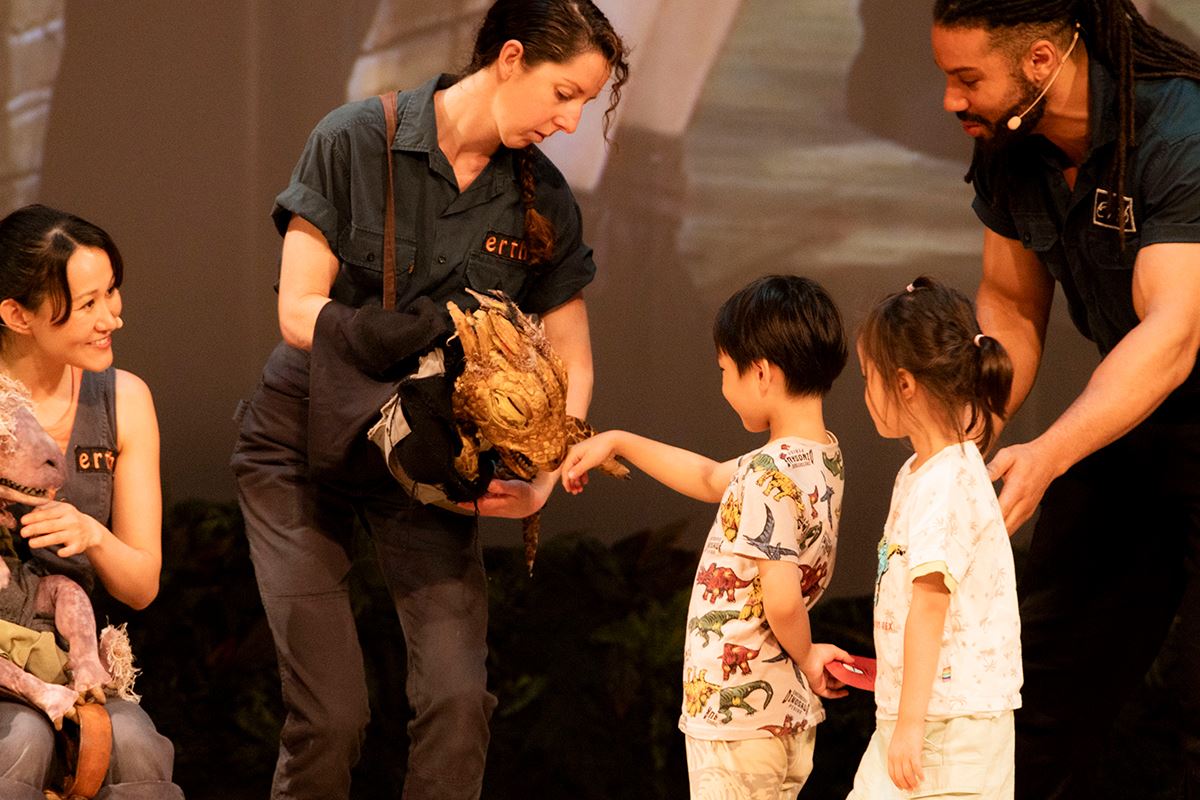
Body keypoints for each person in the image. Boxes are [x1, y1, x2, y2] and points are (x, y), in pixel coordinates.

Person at [229, 2, 628, 798]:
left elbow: (572, 361)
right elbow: (298, 312)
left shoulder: (543, 199)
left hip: (426, 456)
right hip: (303, 440)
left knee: (456, 703)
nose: (571, 122)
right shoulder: (355, 138)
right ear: (509, 58)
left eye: (585, 102)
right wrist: (428, 330)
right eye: (564, 94)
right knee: (331, 718)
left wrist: (545, 471)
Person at [930, 1, 1200, 796]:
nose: (950, 100)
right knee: (1043, 670)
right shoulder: (1010, 141)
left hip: (1166, 375)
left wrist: (1048, 454)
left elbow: (1174, 332)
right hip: (1140, 407)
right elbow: (1012, 302)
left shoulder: (1177, 130)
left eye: (966, 78)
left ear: (1040, 61)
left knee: (1191, 692)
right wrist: (968, 432)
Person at [561, 274, 851, 799]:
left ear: (760, 372)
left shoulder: (768, 472)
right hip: (780, 721)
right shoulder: (820, 458)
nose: (722, 386)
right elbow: (710, 478)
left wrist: (809, 656)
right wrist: (618, 442)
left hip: (738, 724)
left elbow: (783, 601)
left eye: (724, 371)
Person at [0, 204, 181, 799]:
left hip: (66, 653)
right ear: (17, 315)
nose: (112, 318)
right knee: (21, 742)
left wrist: (93, 534)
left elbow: (141, 586)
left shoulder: (123, 399)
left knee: (132, 744)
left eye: (112, 293)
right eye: (87, 305)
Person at [845, 277, 1022, 800]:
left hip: (947, 727)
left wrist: (910, 723)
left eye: (869, 378)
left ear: (904, 384)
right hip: (924, 716)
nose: (865, 394)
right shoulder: (923, 472)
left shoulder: (945, 482)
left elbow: (930, 605)